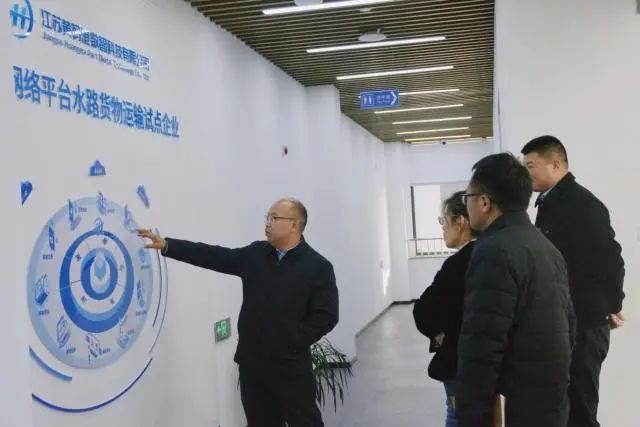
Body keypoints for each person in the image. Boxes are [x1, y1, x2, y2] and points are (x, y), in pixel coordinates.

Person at [138, 198, 339, 427]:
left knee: (305, 422)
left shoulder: (317, 267)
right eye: (267, 217)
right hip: (253, 366)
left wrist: (291, 341)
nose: (267, 223)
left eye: (274, 218)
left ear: (294, 225)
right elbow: (213, 256)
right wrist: (168, 245)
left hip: (291, 368)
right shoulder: (256, 254)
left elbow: (327, 316)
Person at [456, 153, 575, 427]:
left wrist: (471, 415)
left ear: (484, 202)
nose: (466, 205)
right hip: (552, 396)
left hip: (522, 404)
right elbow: (570, 323)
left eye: (467, 197)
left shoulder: (494, 250)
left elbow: (482, 345)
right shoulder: (546, 247)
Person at [521, 135, 625, 427]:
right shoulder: (550, 203)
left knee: (580, 410)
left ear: (555, 164)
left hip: (583, 325)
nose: (526, 174)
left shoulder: (581, 204)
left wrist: (607, 308)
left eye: (530, 166)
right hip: (567, 321)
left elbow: (611, 260)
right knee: (566, 409)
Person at [413, 191, 477, 427]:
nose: (443, 228)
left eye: (444, 220)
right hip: (482, 358)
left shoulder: (458, 263)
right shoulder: (491, 253)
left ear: (460, 222)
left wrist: (443, 334)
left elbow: (423, 310)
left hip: (459, 360)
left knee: (456, 414)